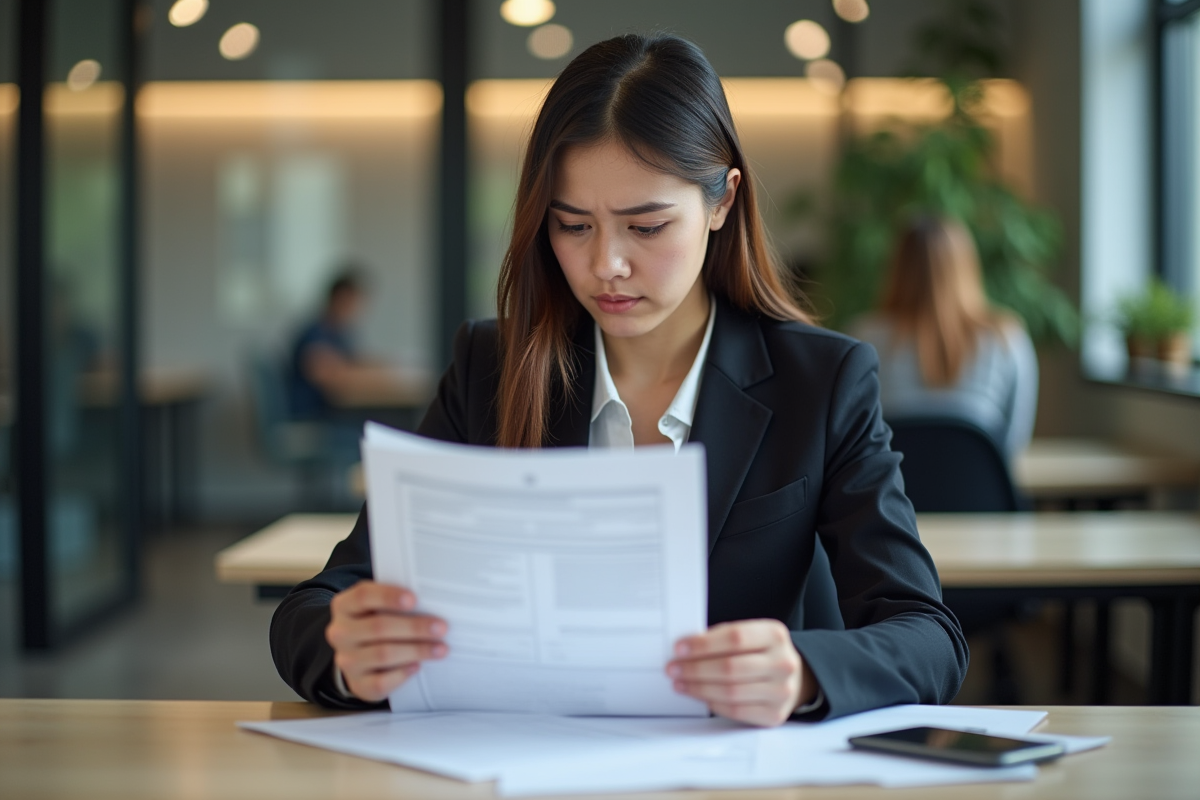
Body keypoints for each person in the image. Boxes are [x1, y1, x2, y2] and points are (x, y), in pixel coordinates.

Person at [271, 34, 967, 727]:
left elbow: (927, 636)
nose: (606, 264)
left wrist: (804, 673)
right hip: (517, 765)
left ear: (722, 202)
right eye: (573, 225)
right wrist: (345, 651)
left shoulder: (820, 382)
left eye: (646, 226)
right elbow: (311, 610)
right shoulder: (493, 366)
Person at [849, 217, 1039, 460]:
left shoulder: (862, 338)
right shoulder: (1007, 339)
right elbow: (1013, 445)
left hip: (891, 495)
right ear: (967, 266)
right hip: (979, 495)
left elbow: (854, 442)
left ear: (897, 267)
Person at [287, 269, 369, 421]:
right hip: (312, 417)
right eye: (349, 302)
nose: (354, 309)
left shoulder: (338, 334)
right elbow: (327, 375)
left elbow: (352, 363)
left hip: (328, 413)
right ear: (336, 299)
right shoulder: (315, 333)